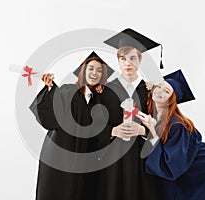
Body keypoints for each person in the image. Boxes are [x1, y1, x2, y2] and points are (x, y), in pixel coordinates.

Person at [86, 28, 164, 200]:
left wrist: (143, 131)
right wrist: (112, 131)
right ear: (118, 61)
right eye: (123, 59)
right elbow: (93, 124)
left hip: (142, 159)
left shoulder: (151, 91)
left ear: (140, 60)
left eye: (133, 58)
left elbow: (163, 125)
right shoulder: (105, 91)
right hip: (112, 160)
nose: (128, 63)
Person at [137, 69, 205, 200]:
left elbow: (171, 165)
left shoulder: (177, 125)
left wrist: (152, 131)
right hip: (192, 168)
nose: (159, 91)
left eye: (166, 91)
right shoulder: (156, 114)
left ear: (171, 100)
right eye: (159, 86)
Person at [29, 51, 113, 200]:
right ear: (83, 72)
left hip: (82, 161)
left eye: (99, 70)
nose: (95, 73)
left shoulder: (98, 101)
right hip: (60, 156)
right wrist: (50, 88)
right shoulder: (69, 90)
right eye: (91, 68)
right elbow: (53, 115)